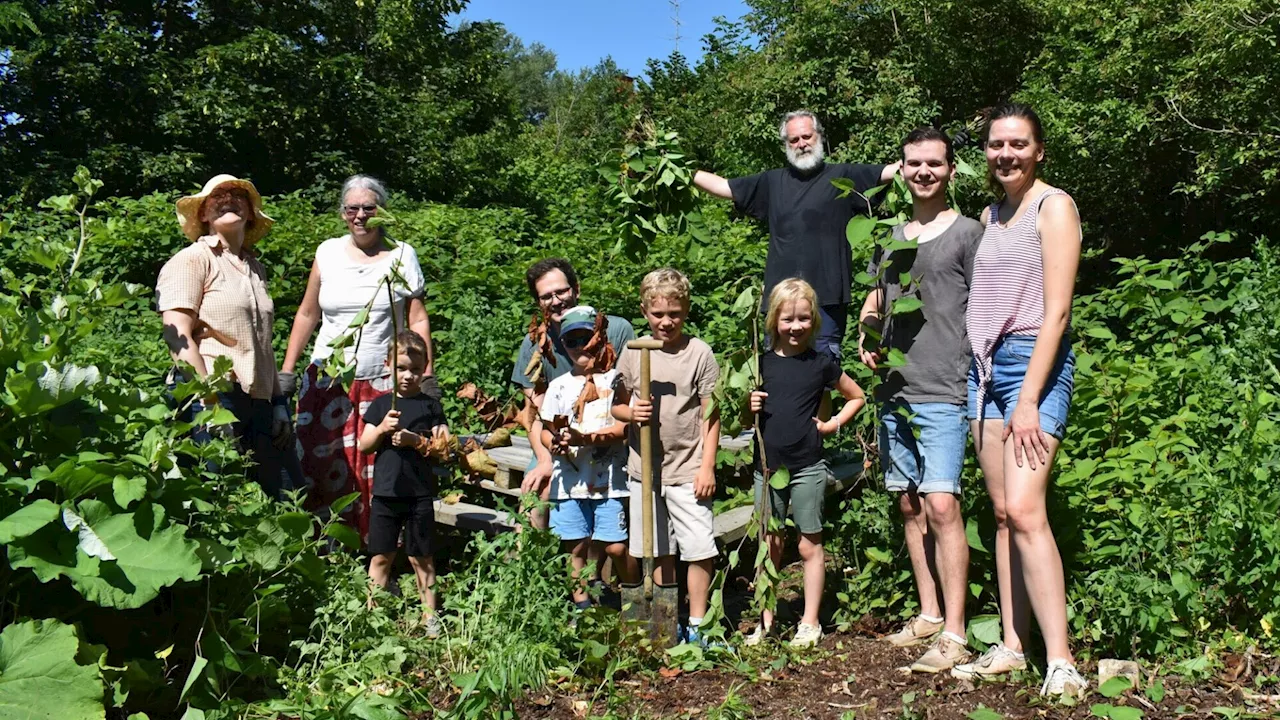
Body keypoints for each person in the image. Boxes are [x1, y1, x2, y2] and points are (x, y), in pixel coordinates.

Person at [949, 103, 1086, 698]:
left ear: (1038, 151)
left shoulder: (1053, 207)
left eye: (1018, 144)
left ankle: (1061, 662)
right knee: (1004, 514)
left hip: (1034, 365)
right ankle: (1011, 644)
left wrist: (1029, 397)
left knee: (1028, 512)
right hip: (985, 373)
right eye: (996, 145)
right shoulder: (991, 213)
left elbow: (1056, 312)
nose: (1006, 154)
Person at [858, 128, 984, 673]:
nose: (924, 172)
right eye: (914, 163)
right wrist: (867, 327)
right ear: (902, 169)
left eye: (935, 163)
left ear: (951, 170)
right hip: (895, 389)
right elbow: (877, 296)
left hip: (944, 385)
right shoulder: (888, 234)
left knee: (942, 504)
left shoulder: (969, 234)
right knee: (909, 503)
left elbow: (987, 304)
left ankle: (956, 632)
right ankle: (929, 614)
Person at [281, 174, 435, 543]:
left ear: (382, 212)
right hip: (327, 381)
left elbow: (417, 318)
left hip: (382, 382)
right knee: (322, 464)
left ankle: (377, 556)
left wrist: (426, 375)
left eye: (369, 208)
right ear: (342, 212)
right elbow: (307, 314)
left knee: (378, 469)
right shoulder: (327, 253)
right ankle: (324, 549)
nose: (361, 215)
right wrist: (287, 371)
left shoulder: (401, 255)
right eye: (353, 208)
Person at [693, 110, 899, 360]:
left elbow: (893, 171)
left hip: (828, 303)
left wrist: (938, 152)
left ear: (819, 137)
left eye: (806, 136)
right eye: (794, 140)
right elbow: (724, 187)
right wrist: (684, 173)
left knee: (822, 378)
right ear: (786, 145)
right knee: (780, 380)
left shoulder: (844, 176)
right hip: (781, 304)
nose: (801, 144)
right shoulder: (772, 181)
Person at [157, 174, 301, 499]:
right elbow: (176, 335)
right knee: (219, 500)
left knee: (284, 497)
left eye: (238, 194)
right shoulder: (193, 260)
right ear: (204, 215)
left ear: (251, 213)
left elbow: (262, 346)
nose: (228, 199)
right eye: (216, 196)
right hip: (213, 397)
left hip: (259, 401)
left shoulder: (254, 268)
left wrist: (279, 403)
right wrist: (209, 404)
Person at [745, 278, 866, 649]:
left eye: (802, 319)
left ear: (813, 320)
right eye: (787, 319)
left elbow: (856, 396)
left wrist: (831, 425)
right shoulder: (758, 365)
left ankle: (810, 621)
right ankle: (766, 622)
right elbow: (737, 418)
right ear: (773, 322)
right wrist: (746, 407)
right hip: (767, 468)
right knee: (770, 543)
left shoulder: (821, 363)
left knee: (808, 544)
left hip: (808, 466)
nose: (795, 327)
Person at [611, 268, 721, 645]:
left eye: (674, 312)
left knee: (698, 548)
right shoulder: (633, 352)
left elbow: (712, 413)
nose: (666, 321)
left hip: (688, 468)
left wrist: (707, 466)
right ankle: (665, 622)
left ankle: (698, 625)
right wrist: (631, 414)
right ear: (645, 312)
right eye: (658, 314)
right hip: (645, 470)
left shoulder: (698, 353)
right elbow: (617, 407)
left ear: (686, 309)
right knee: (659, 551)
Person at [513, 258, 634, 531]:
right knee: (536, 491)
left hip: (612, 433)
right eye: (546, 296)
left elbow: (630, 395)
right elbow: (533, 414)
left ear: (576, 289)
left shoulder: (617, 330)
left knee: (608, 496)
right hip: (558, 438)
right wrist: (546, 459)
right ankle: (533, 564)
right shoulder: (535, 343)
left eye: (561, 291)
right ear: (538, 302)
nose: (556, 301)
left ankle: (605, 568)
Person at [535, 306, 639, 611]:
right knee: (576, 545)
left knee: (616, 546)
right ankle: (581, 605)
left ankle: (633, 594)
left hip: (610, 480)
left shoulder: (616, 381)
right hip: (570, 481)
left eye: (587, 337)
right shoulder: (558, 386)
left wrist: (587, 439)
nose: (581, 347)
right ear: (563, 345)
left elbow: (625, 428)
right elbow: (546, 429)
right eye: (572, 341)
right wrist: (555, 440)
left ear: (600, 338)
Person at [358, 332, 449, 638]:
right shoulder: (382, 405)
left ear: (424, 369)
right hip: (386, 493)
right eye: (401, 368)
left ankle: (430, 617)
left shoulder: (430, 406)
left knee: (421, 556)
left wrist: (414, 440)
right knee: (381, 555)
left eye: (415, 369)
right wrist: (383, 428)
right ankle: (373, 618)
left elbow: (444, 447)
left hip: (418, 494)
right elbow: (363, 444)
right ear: (388, 366)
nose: (408, 376)